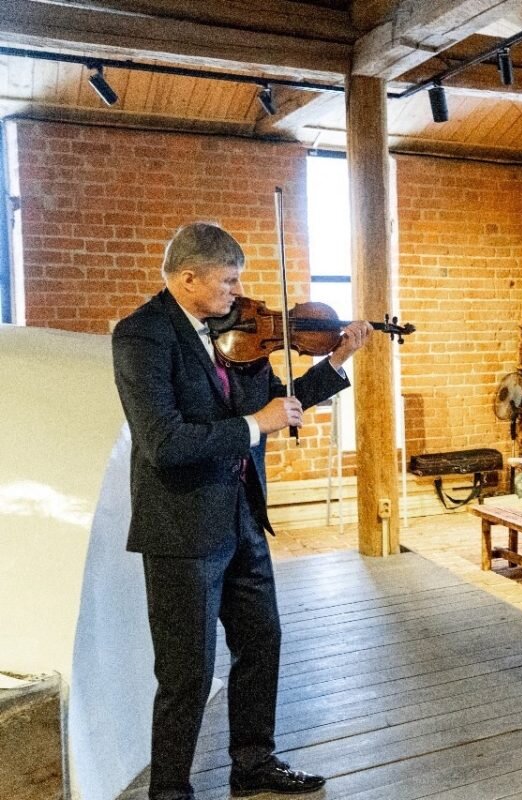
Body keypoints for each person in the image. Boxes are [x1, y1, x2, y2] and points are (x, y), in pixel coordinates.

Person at [112, 222, 372, 800]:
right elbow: (165, 443)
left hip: (240, 516)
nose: (237, 292)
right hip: (181, 528)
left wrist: (341, 358)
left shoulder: (239, 336)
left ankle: (253, 763)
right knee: (186, 673)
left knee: (261, 642)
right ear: (188, 277)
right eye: (228, 281)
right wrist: (257, 425)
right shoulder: (141, 336)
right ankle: (171, 790)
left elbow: (283, 405)